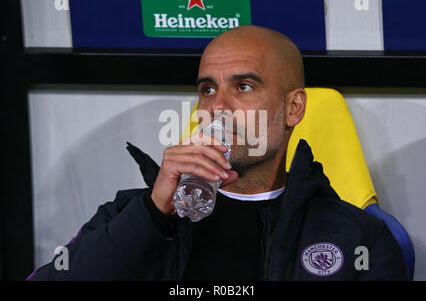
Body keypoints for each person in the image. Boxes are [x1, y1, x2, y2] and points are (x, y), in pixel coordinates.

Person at [27, 25, 407, 281]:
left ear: (293, 108)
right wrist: (151, 214)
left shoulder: (358, 237)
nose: (217, 107)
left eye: (243, 86)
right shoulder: (130, 215)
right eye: (207, 89)